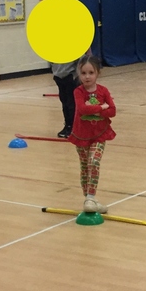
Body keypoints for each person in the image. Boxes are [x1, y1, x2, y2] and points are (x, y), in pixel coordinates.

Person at [67, 54, 116, 214]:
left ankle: (90, 197)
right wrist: (101, 108)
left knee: (94, 162)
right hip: (81, 135)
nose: (87, 77)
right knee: (85, 166)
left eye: (91, 73)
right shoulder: (78, 92)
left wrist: (100, 109)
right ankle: (90, 199)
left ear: (97, 73)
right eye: (83, 73)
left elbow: (112, 111)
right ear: (79, 74)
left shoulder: (103, 91)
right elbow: (82, 109)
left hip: (99, 134)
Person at [51, 57, 81, 138]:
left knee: (71, 103)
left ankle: (73, 126)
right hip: (59, 77)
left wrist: (77, 75)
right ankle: (67, 125)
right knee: (64, 102)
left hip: (70, 76)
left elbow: (81, 60)